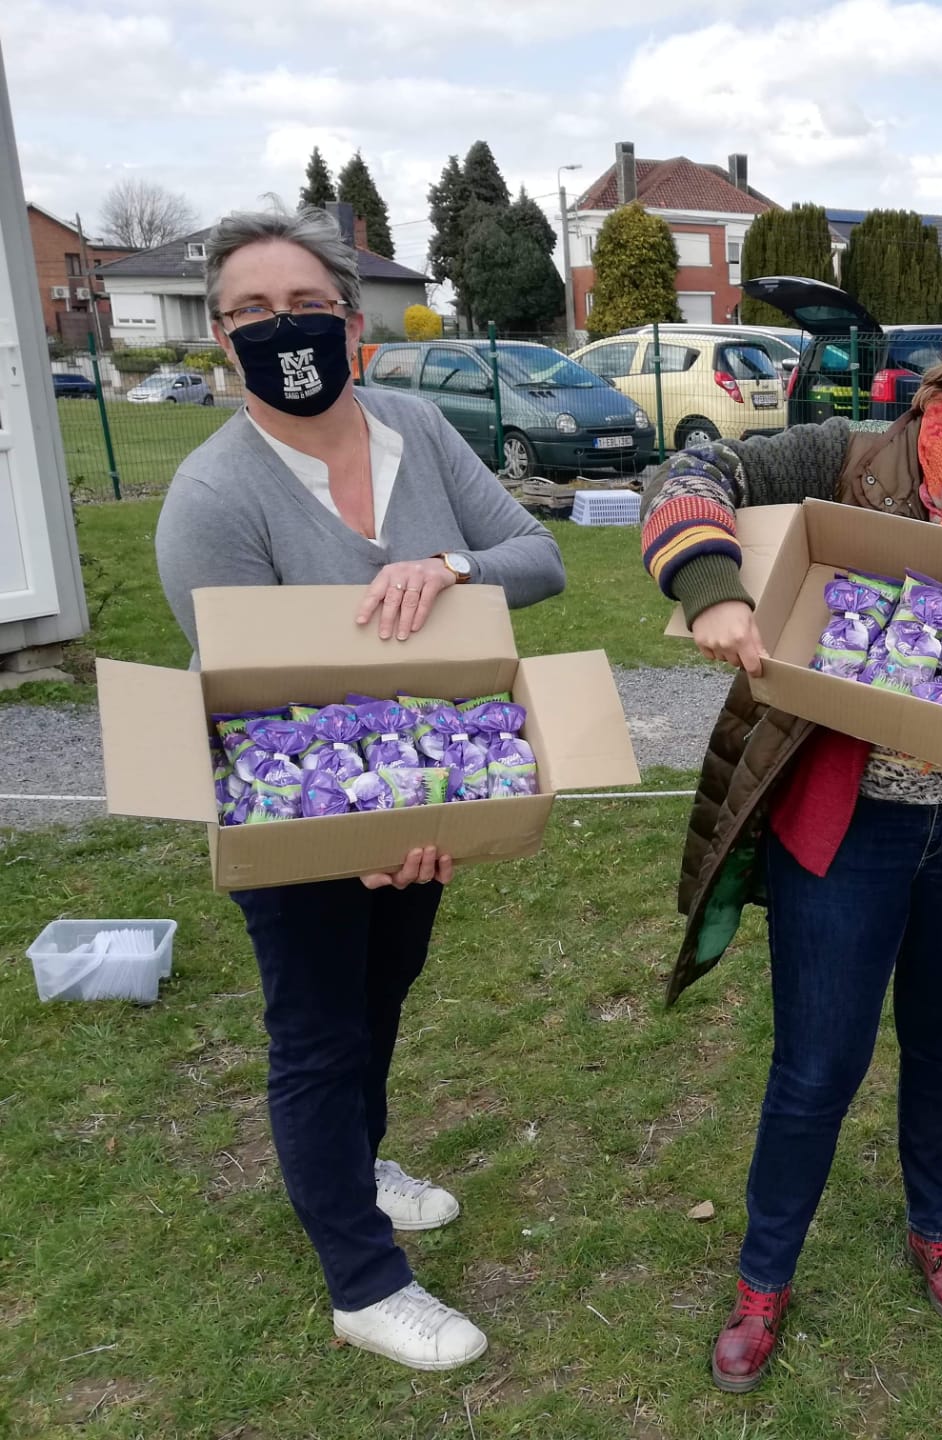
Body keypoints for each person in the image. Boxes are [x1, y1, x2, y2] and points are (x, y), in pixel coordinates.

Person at [641, 304, 942, 1393]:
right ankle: (764, 1278)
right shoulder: (845, 459)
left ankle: (936, 1228)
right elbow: (693, 471)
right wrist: (710, 586)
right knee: (818, 1066)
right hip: (843, 829)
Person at [154, 207, 566, 1370]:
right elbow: (241, 699)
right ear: (221, 337)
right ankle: (363, 1282)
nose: (281, 328)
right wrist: (347, 837)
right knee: (318, 1033)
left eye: (306, 306)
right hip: (296, 821)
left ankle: (357, 1163)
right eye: (251, 311)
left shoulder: (414, 428)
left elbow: (537, 558)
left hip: (427, 789)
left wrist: (449, 565)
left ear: (350, 323)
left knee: (381, 996)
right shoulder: (213, 495)